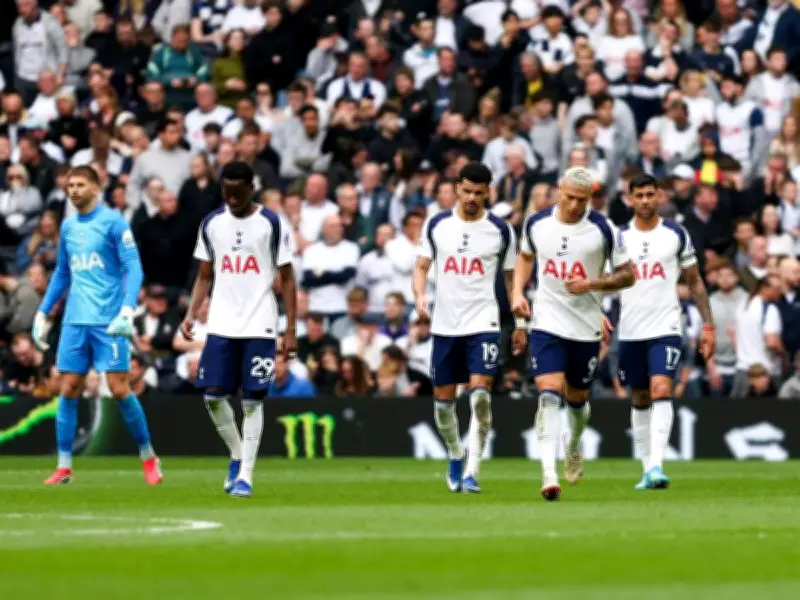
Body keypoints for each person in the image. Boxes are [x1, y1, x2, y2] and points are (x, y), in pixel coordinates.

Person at [30, 165, 161, 486]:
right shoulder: (68, 227)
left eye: (79, 185)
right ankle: (64, 467)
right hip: (75, 321)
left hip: (108, 321)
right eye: (69, 185)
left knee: (119, 389)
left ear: (95, 187)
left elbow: (134, 268)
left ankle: (148, 456)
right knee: (68, 388)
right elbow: (62, 272)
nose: (73, 190)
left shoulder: (114, 222)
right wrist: (44, 312)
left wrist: (128, 310)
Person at [512, 166, 634, 501]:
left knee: (577, 399)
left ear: (591, 198)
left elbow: (628, 276)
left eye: (582, 200)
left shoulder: (602, 228)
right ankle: (549, 474)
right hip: (547, 321)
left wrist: (591, 285)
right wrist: (517, 293)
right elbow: (524, 258)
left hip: (585, 327)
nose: (574, 205)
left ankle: (575, 442)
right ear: (558, 190)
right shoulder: (537, 223)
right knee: (549, 393)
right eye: (569, 197)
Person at [179, 161, 297, 499]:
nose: (231, 198)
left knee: (251, 401)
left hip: (260, 321)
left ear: (251, 187)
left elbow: (287, 279)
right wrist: (191, 314)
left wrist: (290, 330)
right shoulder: (212, 224)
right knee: (213, 397)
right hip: (221, 322)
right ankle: (236, 454)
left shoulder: (270, 223)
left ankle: (245, 474)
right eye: (225, 192)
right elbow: (204, 274)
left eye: (238, 192)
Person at [413, 161, 517, 494]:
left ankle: (472, 470)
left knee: (481, 394)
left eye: (478, 192)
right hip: (445, 324)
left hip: (484, 321)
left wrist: (519, 308)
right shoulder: (437, 224)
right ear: (457, 188)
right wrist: (418, 296)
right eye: (467, 190)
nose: (472, 197)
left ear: (488, 192)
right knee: (443, 403)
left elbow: (513, 275)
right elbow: (421, 266)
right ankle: (456, 455)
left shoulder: (500, 230)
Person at [616, 174, 715, 490]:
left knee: (661, 389)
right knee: (640, 396)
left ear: (660, 196)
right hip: (630, 329)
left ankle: (657, 466)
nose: (645, 201)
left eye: (650, 194)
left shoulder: (675, 233)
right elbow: (605, 282)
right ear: (629, 199)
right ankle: (646, 468)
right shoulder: (618, 238)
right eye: (638, 195)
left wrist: (708, 325)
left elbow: (695, 281)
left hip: (666, 327)